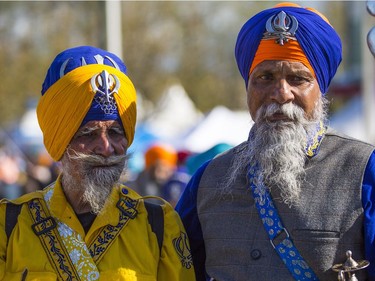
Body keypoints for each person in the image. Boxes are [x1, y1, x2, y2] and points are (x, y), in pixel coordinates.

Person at [176, 3, 375, 281]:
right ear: (248, 87)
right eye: (265, 77)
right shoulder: (207, 180)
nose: (281, 93)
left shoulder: (364, 170)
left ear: (321, 89)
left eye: (298, 78)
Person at [0, 46, 195, 280]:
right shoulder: (10, 225)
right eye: (88, 133)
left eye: (115, 132)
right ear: (60, 141)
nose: (106, 148)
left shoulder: (159, 225)